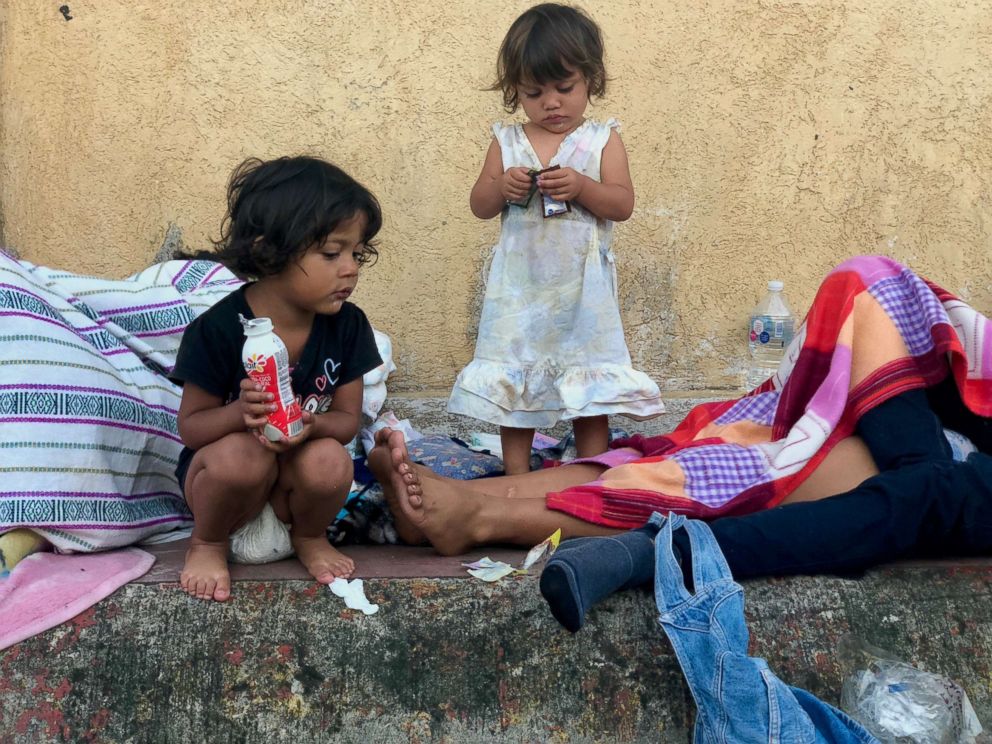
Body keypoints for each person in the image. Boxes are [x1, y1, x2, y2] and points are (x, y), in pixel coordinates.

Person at [447, 3, 664, 475]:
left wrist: (584, 188)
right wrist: (502, 187)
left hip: (582, 295)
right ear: (515, 92)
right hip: (519, 292)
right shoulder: (506, 142)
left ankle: (590, 469)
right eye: (534, 92)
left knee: (590, 383)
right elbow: (479, 204)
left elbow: (622, 204)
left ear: (591, 80)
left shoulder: (602, 140)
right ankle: (516, 474)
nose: (551, 102)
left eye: (565, 88)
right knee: (516, 377)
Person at [170, 156, 384, 602]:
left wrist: (315, 425)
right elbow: (191, 428)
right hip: (226, 493)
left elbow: (347, 419)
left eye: (356, 253)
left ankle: (309, 537)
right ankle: (206, 544)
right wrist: (238, 413)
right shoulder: (220, 327)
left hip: (294, 495)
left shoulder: (348, 326)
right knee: (241, 457)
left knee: (331, 460)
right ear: (272, 251)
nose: (350, 268)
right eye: (331, 253)